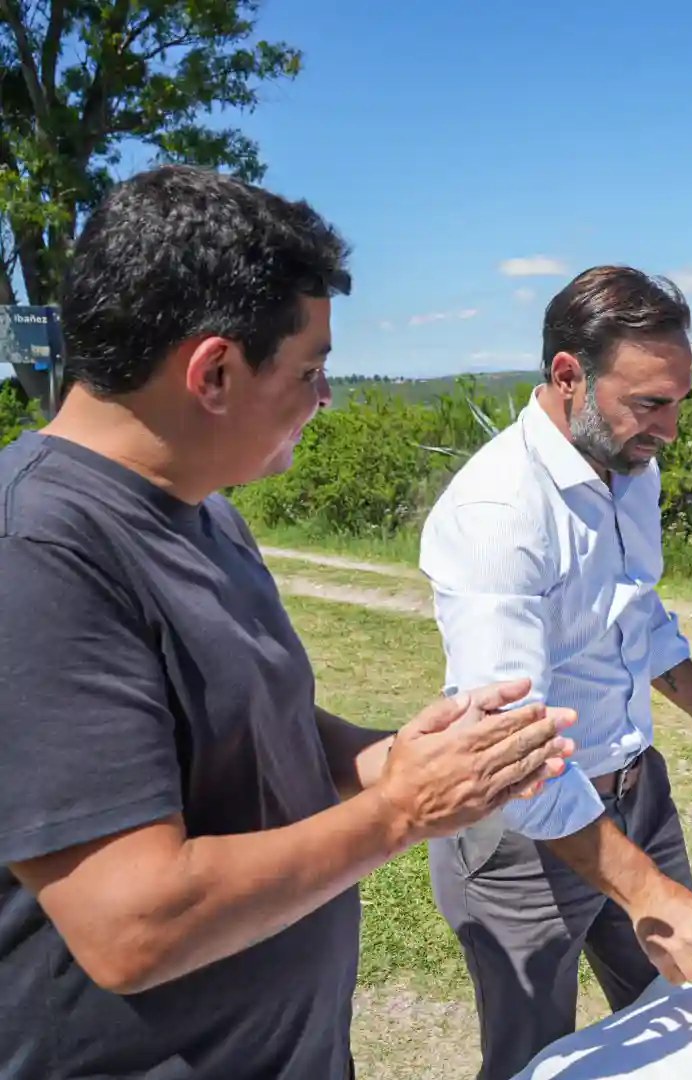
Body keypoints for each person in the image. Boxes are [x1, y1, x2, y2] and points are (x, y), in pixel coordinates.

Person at [0, 165, 578, 1080]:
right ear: (214, 372)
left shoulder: (205, 509)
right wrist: (402, 811)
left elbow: (243, 721)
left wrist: (390, 758)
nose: (325, 397)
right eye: (311, 370)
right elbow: (131, 925)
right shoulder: (39, 550)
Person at [419, 264, 692, 1079]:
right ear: (567, 376)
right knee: (535, 1061)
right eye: (650, 403)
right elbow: (508, 752)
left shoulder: (627, 466)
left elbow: (633, 609)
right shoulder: (499, 514)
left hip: (635, 796)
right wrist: (648, 892)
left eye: (679, 402)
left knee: (691, 1024)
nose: (671, 430)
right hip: (521, 838)